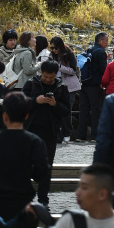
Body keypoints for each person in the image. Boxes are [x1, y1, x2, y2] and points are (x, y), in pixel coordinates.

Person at [0, 92, 49, 220]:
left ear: (5, 116)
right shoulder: (34, 141)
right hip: (22, 202)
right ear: (26, 116)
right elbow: (41, 172)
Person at [23, 60, 70, 206]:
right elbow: (21, 104)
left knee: (47, 167)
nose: (48, 80)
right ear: (40, 72)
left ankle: (43, 200)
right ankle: (26, 198)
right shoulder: (31, 84)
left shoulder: (61, 87)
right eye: (45, 77)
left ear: (56, 75)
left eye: (51, 77)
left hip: (50, 131)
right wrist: (35, 101)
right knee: (26, 165)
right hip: (30, 130)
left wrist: (55, 105)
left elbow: (66, 111)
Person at [53, 163, 114, 228]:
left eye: (84, 188)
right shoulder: (69, 222)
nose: (77, 193)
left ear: (102, 194)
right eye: (78, 187)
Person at [77, 31, 109, 142]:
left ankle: (80, 135)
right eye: (106, 40)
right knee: (96, 110)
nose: (107, 43)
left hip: (84, 83)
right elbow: (104, 70)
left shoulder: (89, 50)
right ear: (100, 40)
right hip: (95, 85)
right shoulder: (101, 52)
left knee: (84, 110)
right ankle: (95, 136)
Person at [50, 36, 81, 143]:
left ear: (60, 46)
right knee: (56, 109)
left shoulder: (69, 54)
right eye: (52, 48)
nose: (54, 50)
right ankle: (59, 134)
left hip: (69, 86)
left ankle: (67, 133)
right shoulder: (51, 55)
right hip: (56, 85)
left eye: (55, 48)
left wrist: (58, 66)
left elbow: (73, 70)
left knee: (67, 110)